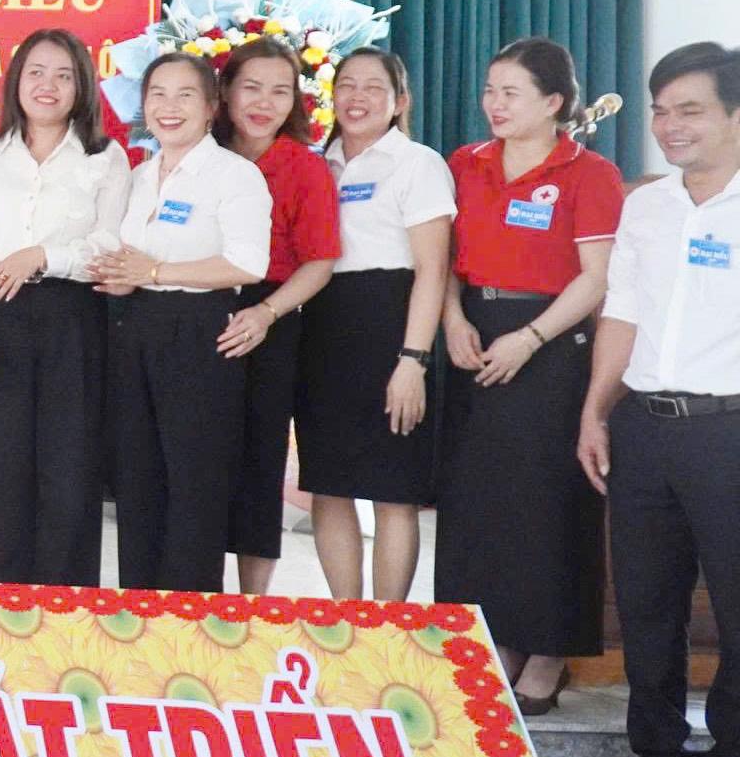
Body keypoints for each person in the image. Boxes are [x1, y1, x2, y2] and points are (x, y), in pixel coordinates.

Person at [578, 43, 740, 757]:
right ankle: (659, 752)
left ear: (734, 116)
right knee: (646, 601)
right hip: (644, 425)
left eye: (691, 110)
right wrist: (595, 409)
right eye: (660, 110)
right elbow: (623, 311)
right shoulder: (645, 206)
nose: (670, 125)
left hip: (729, 430)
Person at [438, 36, 620, 714]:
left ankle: (549, 651)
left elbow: (595, 278)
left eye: (511, 93)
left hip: (551, 343)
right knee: (478, 504)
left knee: (547, 502)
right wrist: (452, 319)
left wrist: (532, 337)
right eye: (491, 90)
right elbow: (444, 260)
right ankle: (495, 643)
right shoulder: (466, 163)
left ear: (553, 102)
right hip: (474, 335)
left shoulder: (588, 173)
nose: (495, 103)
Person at [94, 52, 272, 593]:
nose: (169, 107)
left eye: (185, 95)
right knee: (137, 482)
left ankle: (191, 620)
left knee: (194, 485)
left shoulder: (234, 175)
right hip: (135, 329)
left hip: (199, 333)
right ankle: (140, 614)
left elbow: (248, 263)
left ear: (212, 106)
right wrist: (124, 279)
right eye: (157, 95)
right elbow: (126, 256)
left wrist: (155, 271)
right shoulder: (139, 176)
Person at [0, 29, 129, 587]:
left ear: (81, 87)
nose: (47, 85)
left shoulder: (105, 157)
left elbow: (110, 243)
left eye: (63, 75)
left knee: (69, 471)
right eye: (36, 72)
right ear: (16, 81)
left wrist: (43, 256)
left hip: (74, 319)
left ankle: (65, 608)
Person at [299, 48, 453, 602]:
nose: (357, 97)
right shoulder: (317, 163)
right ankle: (348, 620)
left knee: (394, 491)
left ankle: (389, 625)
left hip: (393, 329)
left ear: (400, 100)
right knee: (329, 487)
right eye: (346, 85)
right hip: (323, 332)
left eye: (373, 87)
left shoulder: (417, 164)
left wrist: (413, 361)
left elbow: (433, 269)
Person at [215, 35, 342, 595]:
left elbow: (320, 262)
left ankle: (251, 604)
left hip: (272, 315)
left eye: (280, 91)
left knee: (258, 460)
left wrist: (266, 314)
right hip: (197, 308)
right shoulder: (199, 154)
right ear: (225, 91)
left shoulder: (304, 168)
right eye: (251, 88)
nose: (264, 103)